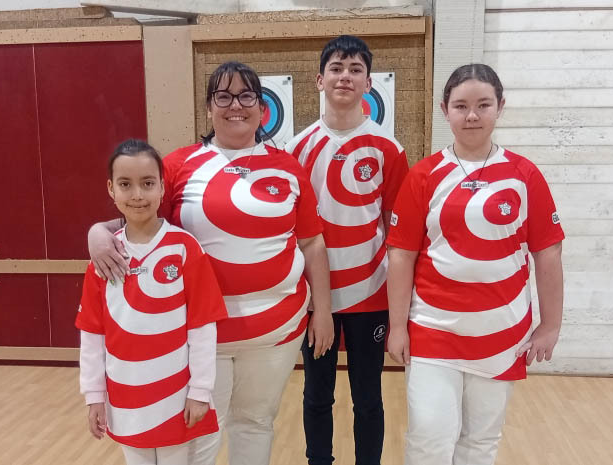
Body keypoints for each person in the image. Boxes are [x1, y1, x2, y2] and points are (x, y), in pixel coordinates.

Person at [87, 61, 333, 465]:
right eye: (224, 96)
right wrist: (97, 232)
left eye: (246, 96)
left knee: (256, 423)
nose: (235, 105)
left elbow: (312, 243)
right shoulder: (179, 164)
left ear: (262, 108)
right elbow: (139, 214)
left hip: (277, 331)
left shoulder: (288, 167)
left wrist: (322, 310)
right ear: (208, 107)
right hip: (202, 337)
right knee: (199, 438)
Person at [386, 63, 565, 465]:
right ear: (444, 109)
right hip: (433, 331)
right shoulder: (424, 175)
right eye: (461, 106)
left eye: (483, 105)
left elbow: (548, 253)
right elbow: (400, 255)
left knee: (480, 443)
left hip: (502, 333)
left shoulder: (525, 175)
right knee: (429, 438)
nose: (471, 115)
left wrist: (551, 325)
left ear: (500, 106)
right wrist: (397, 327)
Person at [285, 35, 409, 465]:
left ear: (369, 83)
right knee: (316, 395)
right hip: (315, 298)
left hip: (370, 295)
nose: (345, 76)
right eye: (336, 68)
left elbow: (398, 234)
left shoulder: (389, 149)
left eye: (356, 69)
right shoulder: (296, 149)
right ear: (319, 80)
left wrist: (401, 308)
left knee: (369, 399)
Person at [77, 139, 228, 465]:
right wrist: (94, 395)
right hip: (126, 394)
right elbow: (92, 334)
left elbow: (202, 327)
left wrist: (200, 390)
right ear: (111, 189)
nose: (137, 194)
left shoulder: (185, 248)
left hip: (176, 394)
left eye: (147, 183)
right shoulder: (103, 258)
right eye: (125, 184)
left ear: (162, 187)